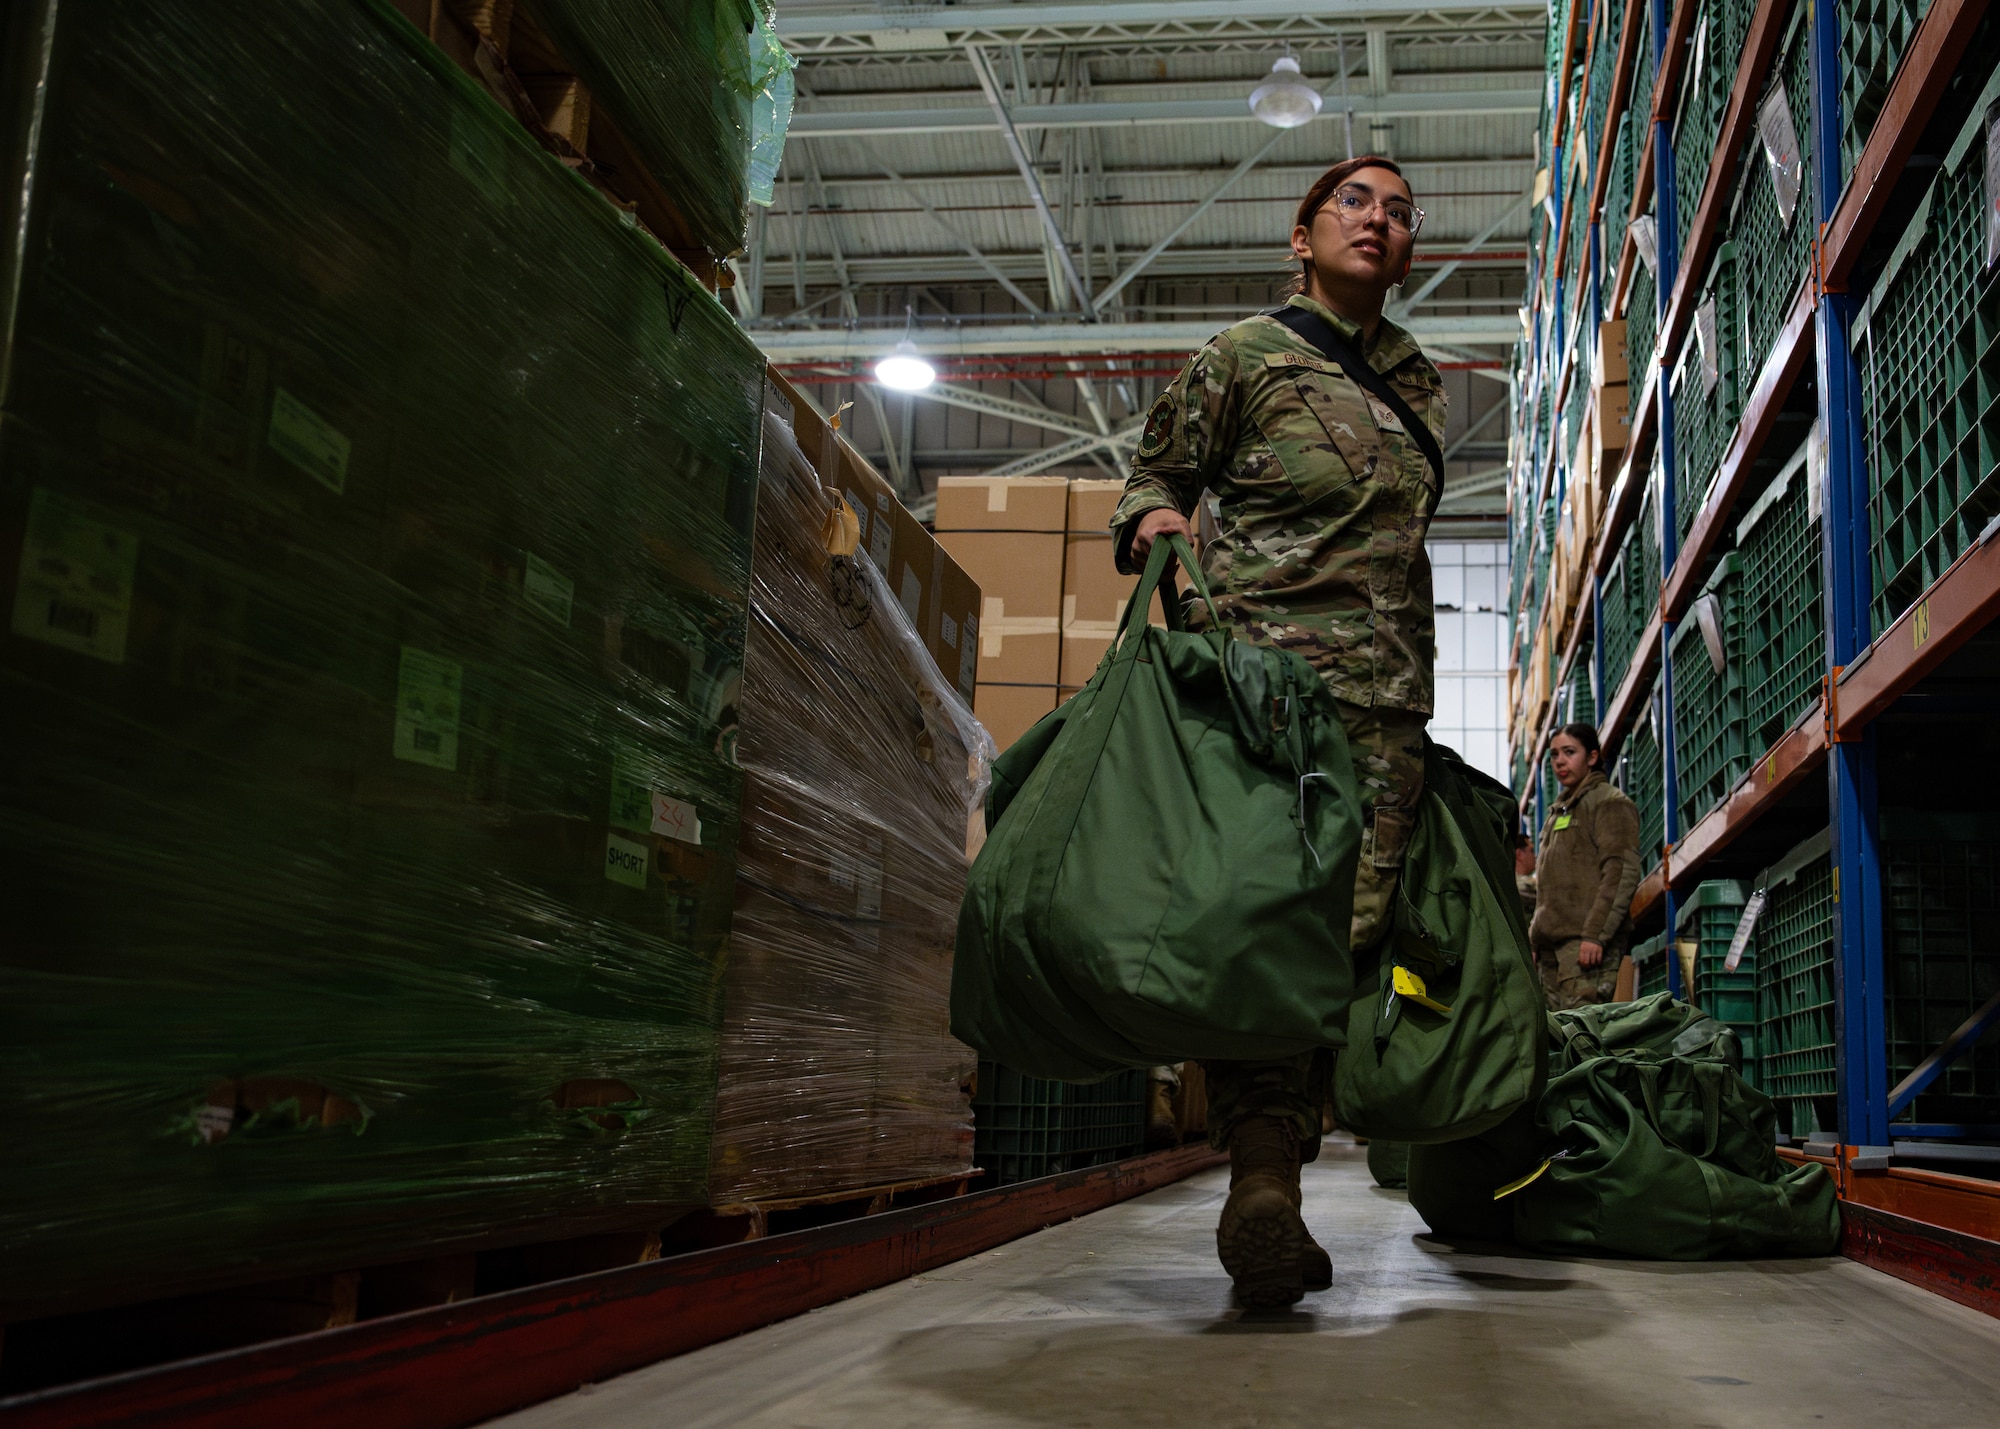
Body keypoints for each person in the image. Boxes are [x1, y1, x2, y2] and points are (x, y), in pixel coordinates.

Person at [1111, 156, 1445, 1309]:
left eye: (1399, 213)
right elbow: (1156, 478)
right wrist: (1160, 526)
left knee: (1347, 941)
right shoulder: (1241, 356)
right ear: (1300, 235)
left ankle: (1272, 1175)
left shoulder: (1416, 379)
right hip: (1266, 692)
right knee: (1263, 926)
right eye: (1355, 202)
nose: (1380, 220)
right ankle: (1264, 1175)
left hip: (1386, 708)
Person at [1530, 723, 1642, 1010]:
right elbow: (1548, 882)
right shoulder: (1559, 811)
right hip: (1551, 949)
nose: (1560, 761)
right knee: (1555, 1039)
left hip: (1585, 947)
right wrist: (1535, 936)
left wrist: (1596, 935)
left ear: (1592, 757)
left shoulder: (1609, 803)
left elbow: (1620, 872)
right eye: (1554, 755)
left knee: (1581, 1036)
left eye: (1569, 752)